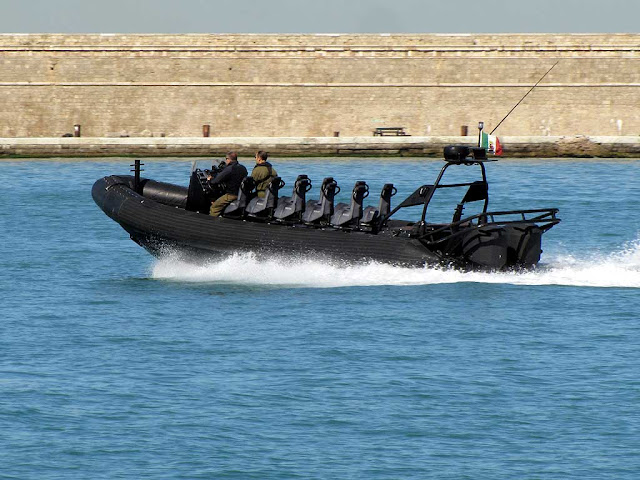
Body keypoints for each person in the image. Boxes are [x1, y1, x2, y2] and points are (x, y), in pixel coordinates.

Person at [207, 151, 248, 217]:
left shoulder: (229, 169)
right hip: (241, 193)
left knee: (214, 207)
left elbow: (215, 181)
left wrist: (210, 179)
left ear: (228, 159)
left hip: (232, 194)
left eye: (226, 159)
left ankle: (212, 223)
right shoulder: (243, 168)